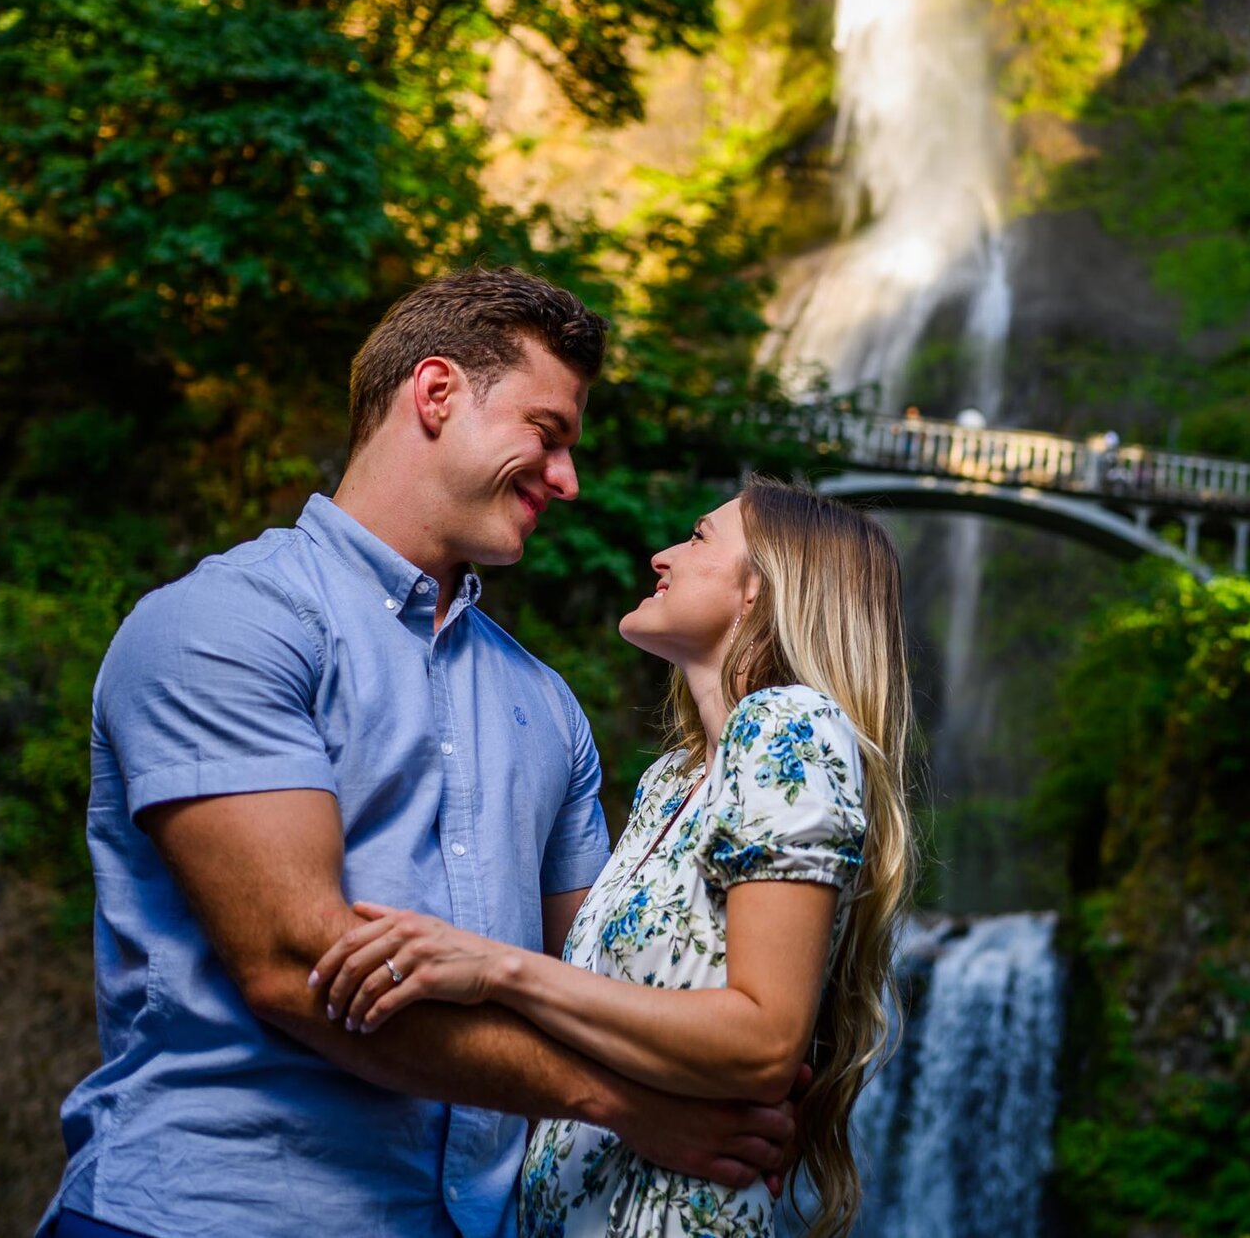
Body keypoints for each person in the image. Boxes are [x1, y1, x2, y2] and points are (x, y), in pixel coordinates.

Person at [41, 268, 797, 1238]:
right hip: (203, 1210)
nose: (566, 480)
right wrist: (621, 1105)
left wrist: (760, 1032)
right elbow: (294, 970)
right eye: (547, 433)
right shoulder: (225, 623)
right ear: (436, 394)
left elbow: (598, 976)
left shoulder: (544, 703)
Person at [304, 478, 916, 1238]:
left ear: (763, 587)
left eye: (696, 538)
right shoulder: (674, 781)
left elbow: (764, 1041)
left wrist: (497, 968)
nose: (661, 556)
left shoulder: (789, 726)